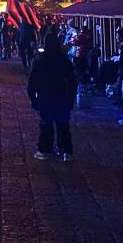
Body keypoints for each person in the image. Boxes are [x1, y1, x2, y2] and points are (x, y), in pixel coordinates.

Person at [27, 33, 76, 161]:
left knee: (46, 124)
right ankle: (66, 151)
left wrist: (33, 98)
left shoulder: (39, 60)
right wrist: (71, 98)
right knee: (63, 125)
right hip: (61, 95)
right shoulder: (64, 60)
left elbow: (32, 82)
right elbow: (72, 80)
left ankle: (45, 150)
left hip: (45, 96)